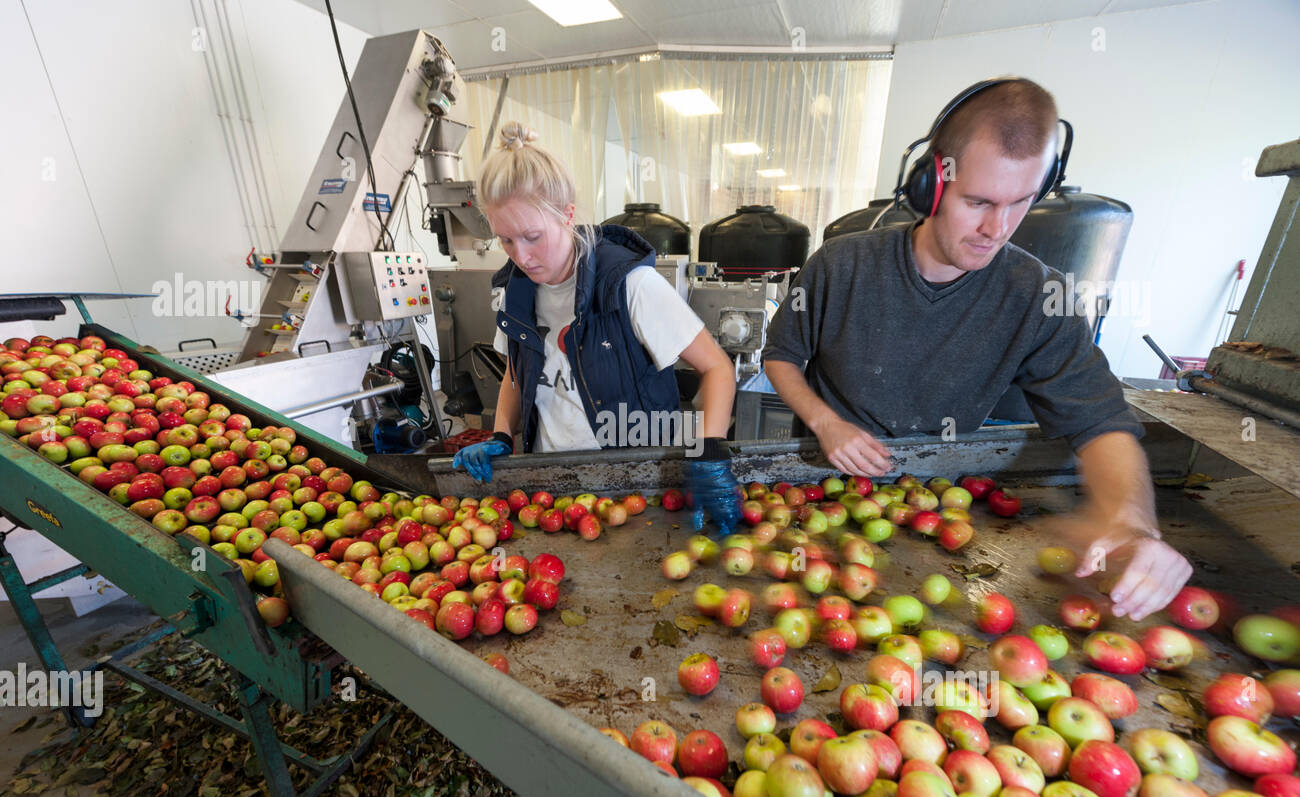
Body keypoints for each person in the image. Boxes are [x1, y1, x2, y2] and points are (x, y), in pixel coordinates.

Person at [762, 78, 1192, 621]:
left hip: (940, 505)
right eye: (979, 202)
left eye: (1021, 203)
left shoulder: (1040, 295)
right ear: (931, 185)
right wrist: (826, 422)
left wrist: (1132, 522)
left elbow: (1101, 420)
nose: (998, 229)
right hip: (818, 485)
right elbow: (780, 355)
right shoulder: (840, 263)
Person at [452, 122, 741, 535]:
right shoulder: (514, 294)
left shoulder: (629, 285)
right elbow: (517, 373)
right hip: (550, 492)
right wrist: (501, 434)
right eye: (506, 241)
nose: (522, 256)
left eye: (532, 237)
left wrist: (710, 451)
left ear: (567, 215)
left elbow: (717, 369)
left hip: (635, 489)